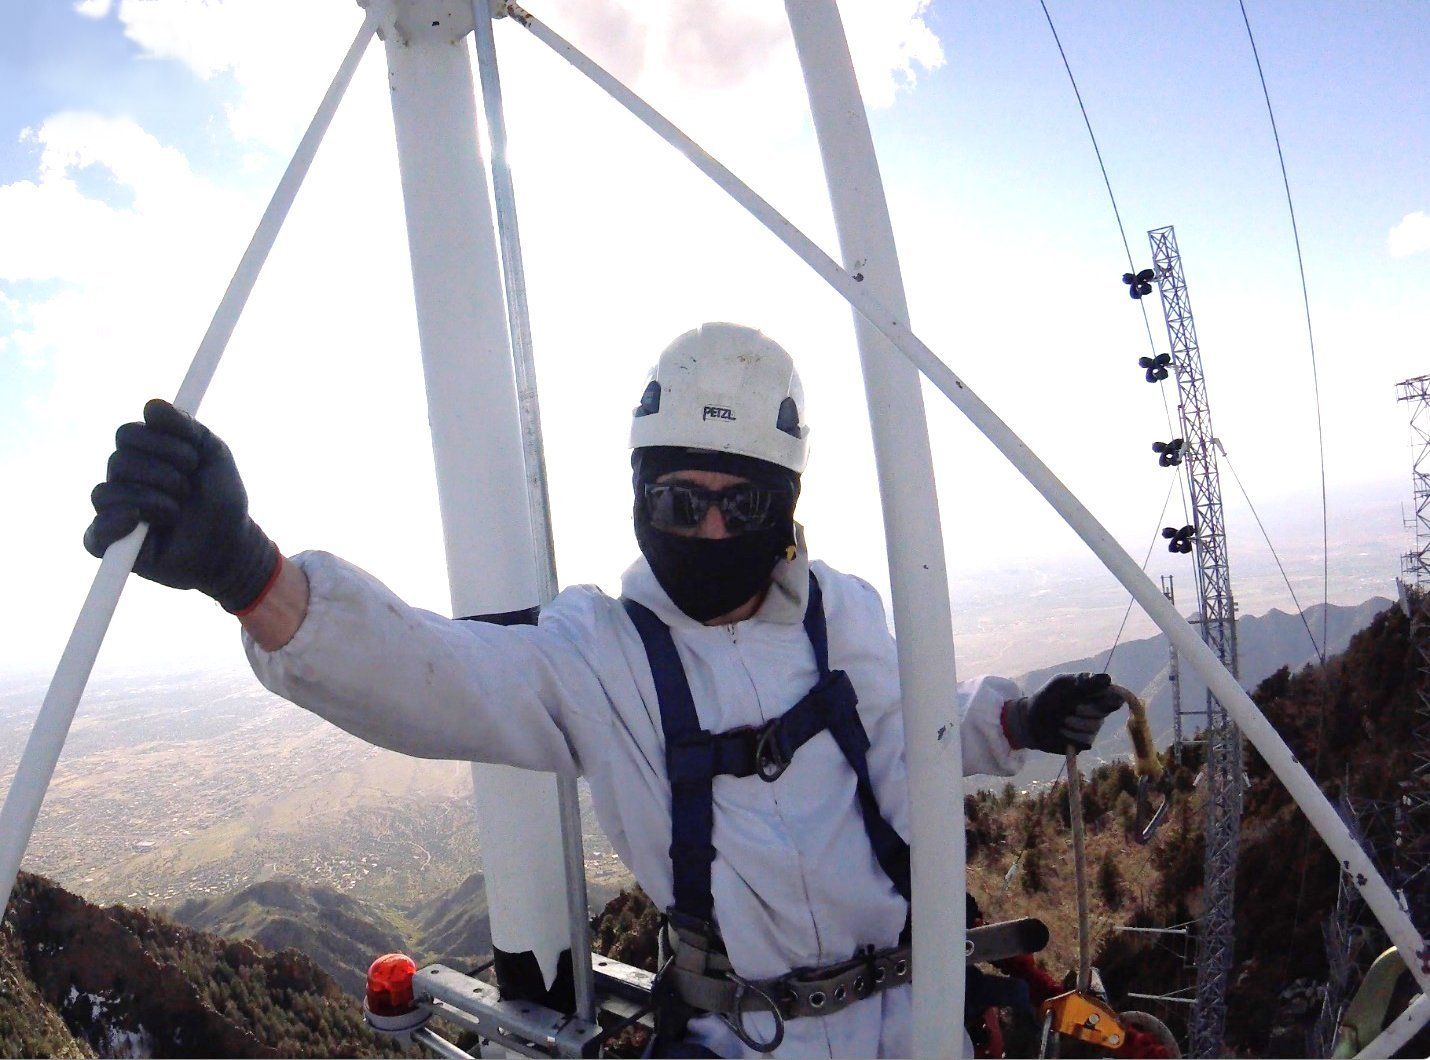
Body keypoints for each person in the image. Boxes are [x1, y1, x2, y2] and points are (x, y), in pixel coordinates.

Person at [85, 322, 1123, 1058]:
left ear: (785, 505)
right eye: (679, 498)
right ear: (638, 495)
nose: (710, 530)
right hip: (741, 1038)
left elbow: (915, 728)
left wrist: (1018, 719)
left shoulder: (844, 614)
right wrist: (247, 573)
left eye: (740, 502)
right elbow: (429, 671)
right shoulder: (596, 651)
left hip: (923, 1012)